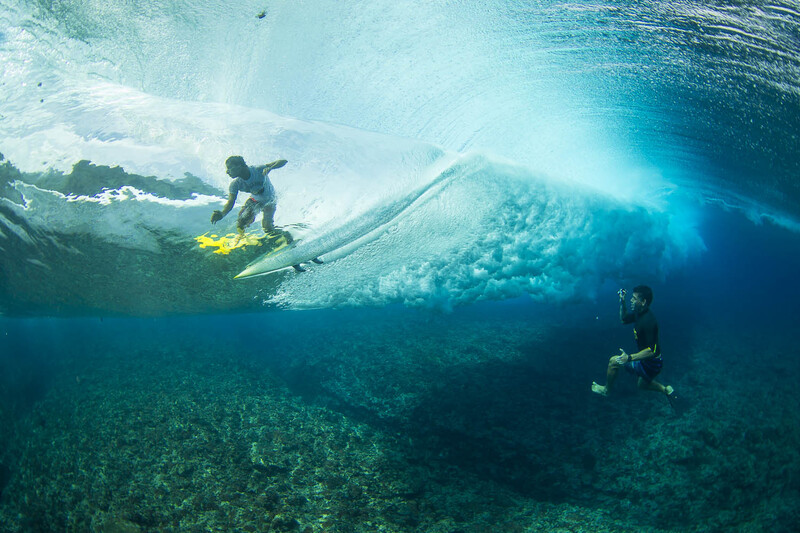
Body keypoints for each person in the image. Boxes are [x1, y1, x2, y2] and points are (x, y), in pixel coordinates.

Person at [210, 155, 321, 272]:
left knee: (268, 228)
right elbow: (231, 201)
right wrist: (222, 214)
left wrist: (271, 167)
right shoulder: (235, 184)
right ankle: (242, 239)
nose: (227, 172)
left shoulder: (257, 170)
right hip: (254, 201)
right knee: (241, 222)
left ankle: (292, 241)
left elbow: (283, 161)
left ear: (240, 166)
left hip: (269, 201)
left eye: (230, 168)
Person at [591, 285, 675, 402]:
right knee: (642, 385)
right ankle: (666, 390)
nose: (631, 300)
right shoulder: (639, 313)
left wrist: (629, 358)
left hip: (652, 363)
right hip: (648, 362)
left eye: (634, 298)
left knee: (613, 362)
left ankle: (606, 391)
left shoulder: (649, 321)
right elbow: (624, 319)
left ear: (643, 302)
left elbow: (652, 351)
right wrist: (622, 301)